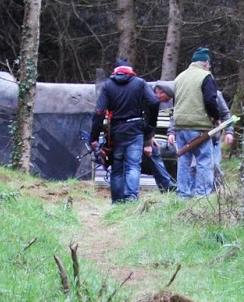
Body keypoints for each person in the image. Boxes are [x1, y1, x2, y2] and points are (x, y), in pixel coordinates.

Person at [89, 59, 160, 204]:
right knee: (133, 166)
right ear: (130, 70)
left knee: (117, 167)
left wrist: (94, 137)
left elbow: (99, 112)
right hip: (135, 129)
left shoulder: (108, 86)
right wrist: (150, 125)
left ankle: (116, 202)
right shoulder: (139, 83)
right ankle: (131, 198)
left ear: (115, 71)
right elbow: (154, 102)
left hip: (116, 131)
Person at [170, 46, 230, 198]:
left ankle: (183, 195)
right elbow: (210, 100)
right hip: (199, 126)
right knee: (204, 161)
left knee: (184, 160)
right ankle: (202, 195)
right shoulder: (205, 76)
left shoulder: (179, 78)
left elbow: (176, 102)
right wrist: (216, 118)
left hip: (180, 125)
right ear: (206, 63)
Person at [144, 82, 177, 193]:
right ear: (159, 92)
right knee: (154, 153)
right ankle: (167, 186)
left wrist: (150, 138)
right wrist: (147, 142)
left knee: (155, 152)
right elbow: (144, 121)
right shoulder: (147, 100)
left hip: (142, 133)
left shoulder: (149, 99)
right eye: (166, 98)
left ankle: (166, 187)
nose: (166, 102)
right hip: (131, 134)